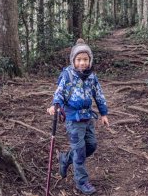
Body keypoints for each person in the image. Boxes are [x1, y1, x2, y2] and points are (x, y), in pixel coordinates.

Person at [47, 38, 110, 195]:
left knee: (92, 145)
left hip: (87, 118)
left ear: (90, 60)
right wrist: (55, 105)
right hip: (73, 120)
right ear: (73, 60)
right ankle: (81, 181)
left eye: (85, 59)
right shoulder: (67, 76)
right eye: (79, 60)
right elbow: (59, 93)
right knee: (80, 151)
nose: (82, 63)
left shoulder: (92, 77)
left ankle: (66, 159)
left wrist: (103, 113)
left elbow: (99, 95)